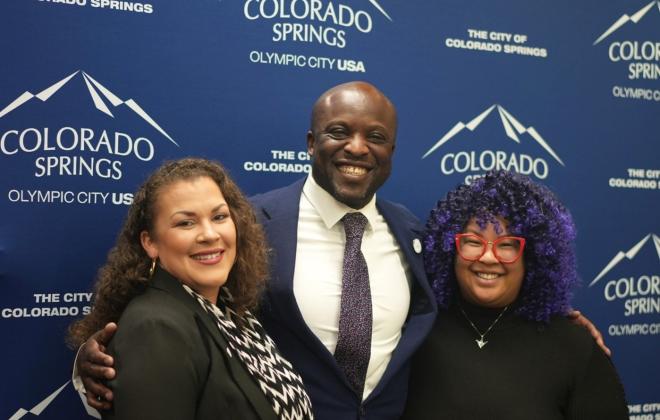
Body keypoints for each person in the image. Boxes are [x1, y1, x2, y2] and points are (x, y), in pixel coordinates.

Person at [72, 82, 607, 420]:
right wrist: (95, 357)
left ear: (391, 153)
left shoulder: (416, 234)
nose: (357, 147)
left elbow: (480, 288)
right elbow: (181, 317)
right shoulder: (245, 227)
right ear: (310, 143)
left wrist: (556, 318)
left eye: (375, 136)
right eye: (338, 132)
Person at [68, 158, 313, 420]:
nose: (209, 234)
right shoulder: (155, 328)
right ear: (150, 242)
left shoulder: (231, 311)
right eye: (186, 223)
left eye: (219, 217)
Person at [403, 170, 628, 420]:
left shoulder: (574, 347)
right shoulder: (415, 334)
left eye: (507, 245)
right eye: (473, 242)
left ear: (532, 257)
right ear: (450, 249)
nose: (488, 257)